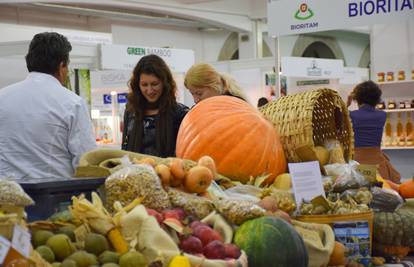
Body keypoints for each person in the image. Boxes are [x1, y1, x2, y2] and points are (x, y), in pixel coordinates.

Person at [0, 32, 96, 179]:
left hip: (6, 195)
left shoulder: (3, 97)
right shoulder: (72, 103)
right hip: (55, 194)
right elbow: (85, 161)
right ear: (61, 65)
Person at [122, 54, 189, 157]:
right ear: (137, 85)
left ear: (164, 83)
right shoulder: (130, 111)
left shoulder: (180, 113)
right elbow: (124, 149)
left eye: (154, 84)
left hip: (168, 172)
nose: (149, 90)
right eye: (144, 85)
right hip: (134, 171)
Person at [348, 80, 401, 182]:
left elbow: (337, 117)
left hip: (358, 162)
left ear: (357, 98)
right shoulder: (382, 115)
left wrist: (347, 103)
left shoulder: (352, 115)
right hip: (377, 162)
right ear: (377, 99)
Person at [184, 63, 248, 104]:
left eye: (199, 94)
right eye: (192, 94)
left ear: (215, 85)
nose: (195, 100)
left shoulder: (235, 106)